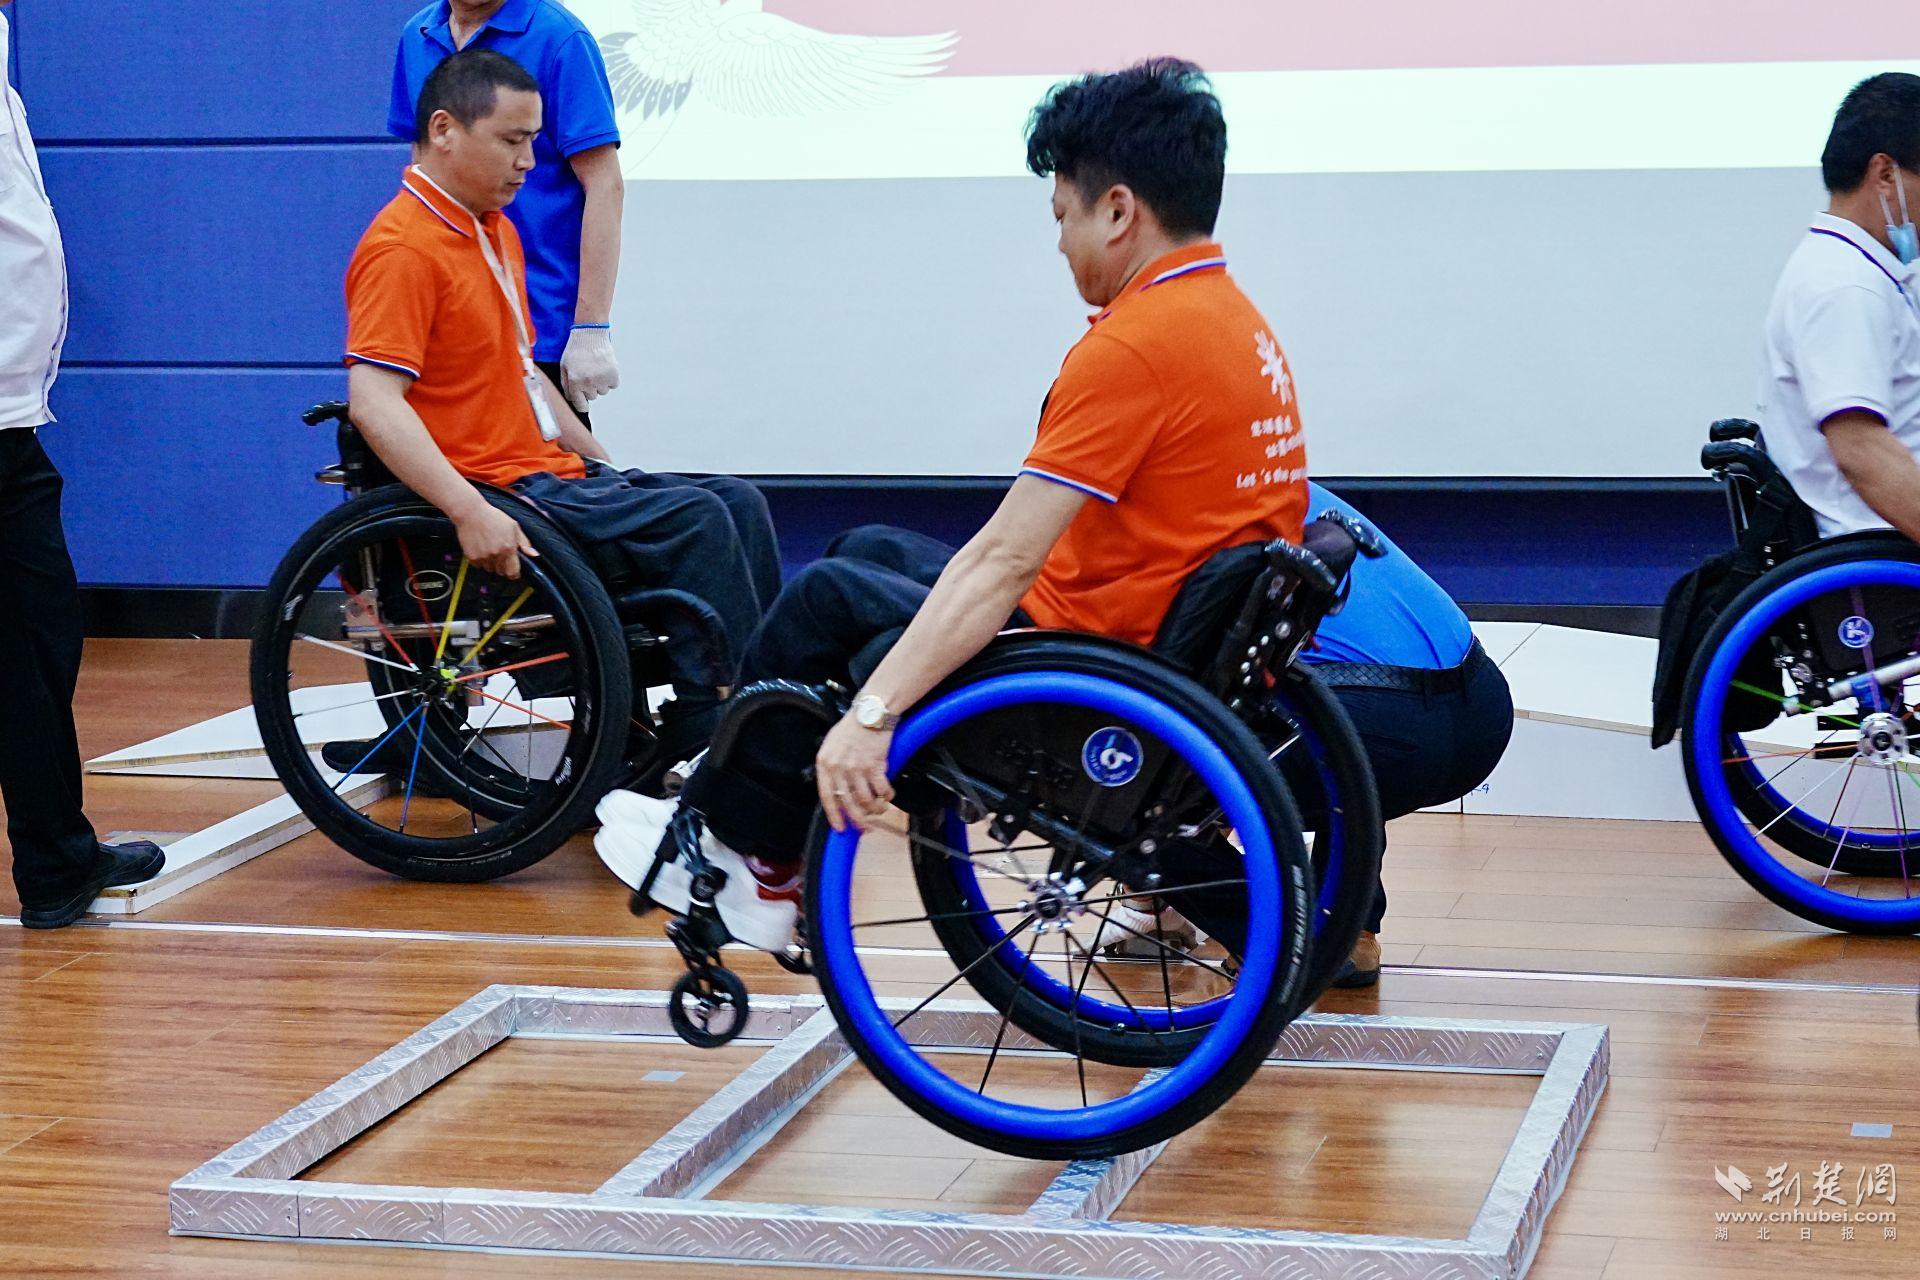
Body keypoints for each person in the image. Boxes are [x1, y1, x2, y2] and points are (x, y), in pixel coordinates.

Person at [594, 59, 1310, 952]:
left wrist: (872, 716)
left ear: (1119, 210)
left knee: (824, 599)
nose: (1060, 244)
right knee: (868, 548)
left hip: (1091, 673)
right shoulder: (1233, 319)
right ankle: (740, 792)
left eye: (1064, 216)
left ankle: (749, 855)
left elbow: (1006, 561)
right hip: (1154, 638)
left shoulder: (1137, 347)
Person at [341, 49, 777, 772]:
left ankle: (755, 701)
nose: (529, 161)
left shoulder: (493, 230)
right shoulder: (403, 249)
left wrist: (602, 463)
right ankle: (711, 717)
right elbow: (373, 403)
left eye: (533, 140)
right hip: (494, 489)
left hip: (544, 476)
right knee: (697, 521)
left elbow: (525, 378)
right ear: (444, 131)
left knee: (737, 501)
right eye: (512, 140)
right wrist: (467, 511)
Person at [0, 8, 165, 928]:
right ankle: (55, 859)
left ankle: (57, 860)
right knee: (27, 642)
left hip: (11, 417)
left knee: (39, 636)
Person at [1290, 483, 1513, 987]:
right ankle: (1350, 932)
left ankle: (1248, 926)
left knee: (1161, 752)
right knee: (1332, 720)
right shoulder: (1288, 482)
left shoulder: (1175, 514)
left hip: (1386, 728)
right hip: (1483, 707)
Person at [390, 0, 624, 421]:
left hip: (537, 319)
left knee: (552, 460)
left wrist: (591, 327)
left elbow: (604, 184)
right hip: (451, 318)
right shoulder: (417, 36)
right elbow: (424, 167)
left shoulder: (560, 37)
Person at [1758, 72, 1920, 538]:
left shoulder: (1859, 271)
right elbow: (1860, 450)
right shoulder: (1846, 286)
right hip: (1882, 557)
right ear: (1885, 175)